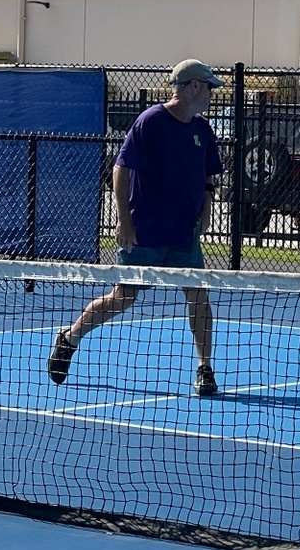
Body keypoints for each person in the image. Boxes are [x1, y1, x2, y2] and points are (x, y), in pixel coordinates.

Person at [48, 58, 226, 396]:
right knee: (122, 298)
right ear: (193, 87)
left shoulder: (202, 130)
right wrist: (124, 222)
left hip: (183, 236)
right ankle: (69, 338)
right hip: (145, 233)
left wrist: (207, 206)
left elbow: (207, 175)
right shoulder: (151, 121)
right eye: (208, 88)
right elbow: (121, 170)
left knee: (199, 296)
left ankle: (205, 368)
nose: (210, 96)